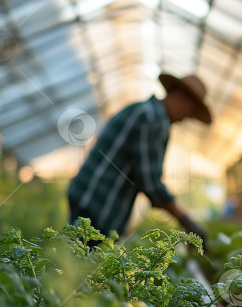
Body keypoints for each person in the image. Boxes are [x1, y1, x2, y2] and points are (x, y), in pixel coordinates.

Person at [68, 74, 209, 246]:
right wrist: (186, 221)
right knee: (85, 264)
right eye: (190, 113)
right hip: (97, 203)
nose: (185, 119)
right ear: (181, 98)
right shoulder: (152, 120)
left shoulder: (146, 111)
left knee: (82, 261)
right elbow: (151, 183)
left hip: (89, 197)